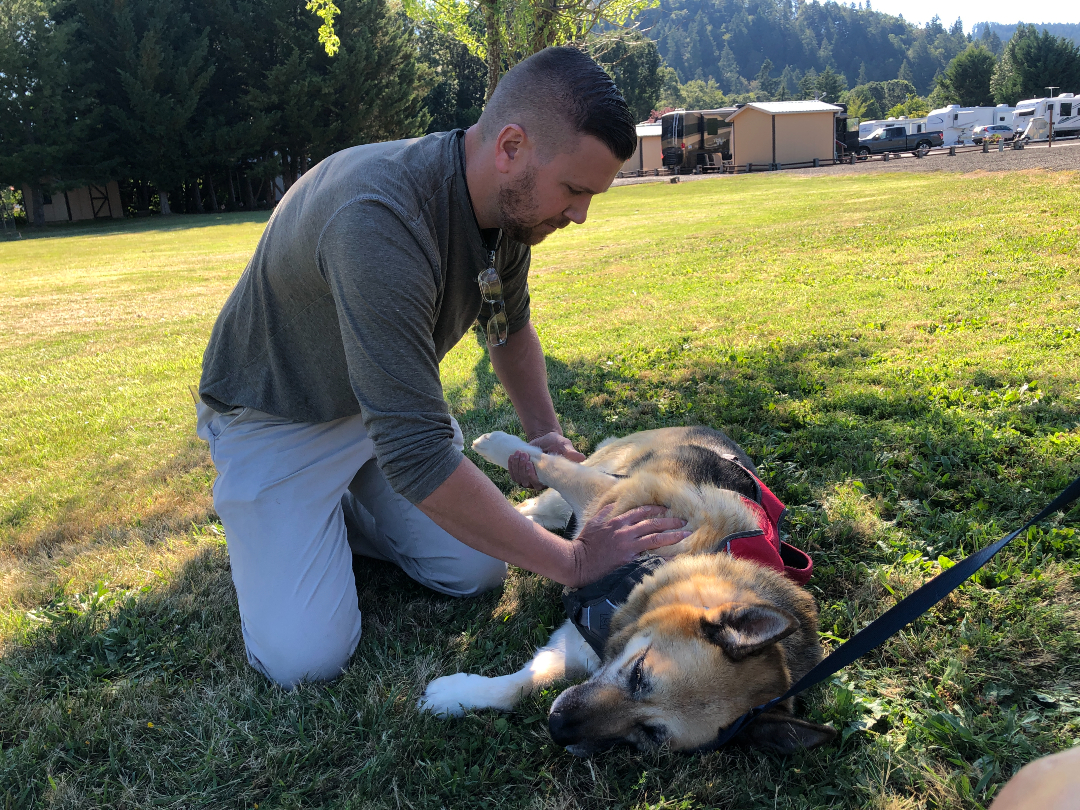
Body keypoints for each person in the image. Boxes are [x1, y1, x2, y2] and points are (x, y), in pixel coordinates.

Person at [195, 46, 692, 688]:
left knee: (473, 572)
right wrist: (573, 562)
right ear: (510, 146)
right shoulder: (380, 219)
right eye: (573, 189)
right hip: (275, 418)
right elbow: (418, 453)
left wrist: (545, 436)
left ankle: (323, 518)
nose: (579, 215)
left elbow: (507, 331)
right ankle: (287, 513)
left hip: (376, 410)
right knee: (305, 660)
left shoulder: (508, 214)